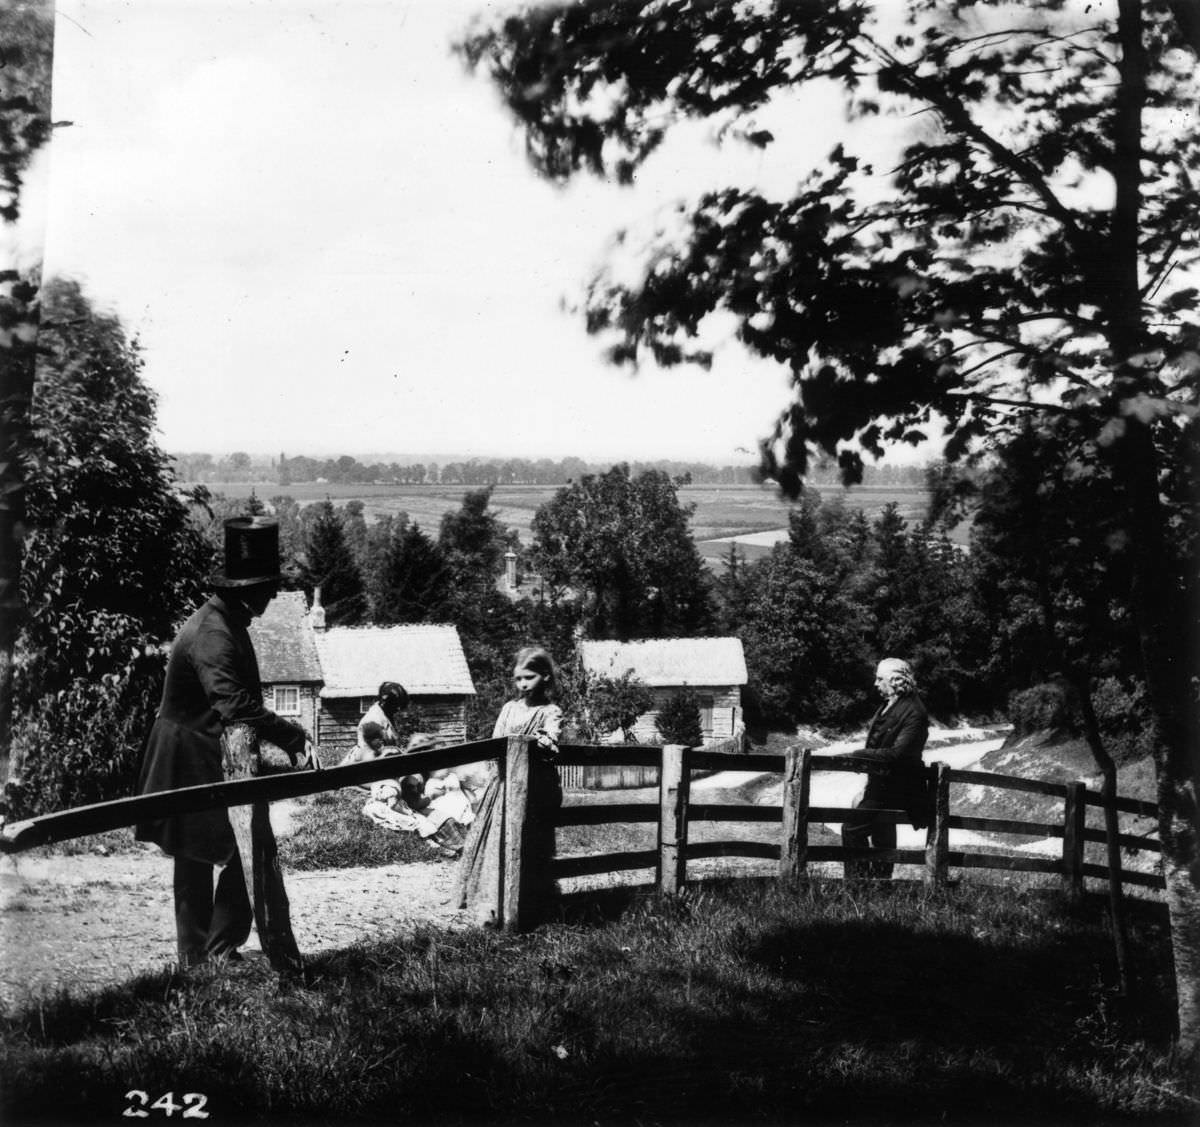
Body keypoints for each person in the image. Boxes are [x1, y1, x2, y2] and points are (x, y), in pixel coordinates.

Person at [135, 516, 312, 967]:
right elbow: (234, 705)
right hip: (187, 753)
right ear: (245, 587)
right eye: (268, 585)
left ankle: (213, 950)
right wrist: (291, 733)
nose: (273, 594)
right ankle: (202, 956)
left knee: (237, 844)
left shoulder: (227, 620)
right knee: (212, 850)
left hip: (205, 748)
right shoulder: (213, 633)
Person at [453, 646, 563, 926]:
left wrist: (543, 742)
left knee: (530, 844)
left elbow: (552, 740)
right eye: (518, 679)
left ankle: (528, 906)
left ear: (546, 678)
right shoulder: (509, 709)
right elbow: (496, 741)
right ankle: (491, 904)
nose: (523, 684)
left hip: (532, 791)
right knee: (496, 842)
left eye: (530, 677)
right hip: (502, 786)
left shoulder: (550, 712)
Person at [840, 657, 930, 881]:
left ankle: (859, 884)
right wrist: (867, 784)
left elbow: (897, 755)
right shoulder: (889, 705)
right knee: (881, 831)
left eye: (880, 679)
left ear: (895, 680)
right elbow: (878, 745)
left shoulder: (914, 711)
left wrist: (857, 756)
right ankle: (878, 885)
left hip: (899, 787)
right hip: (881, 784)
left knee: (852, 828)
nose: (875, 684)